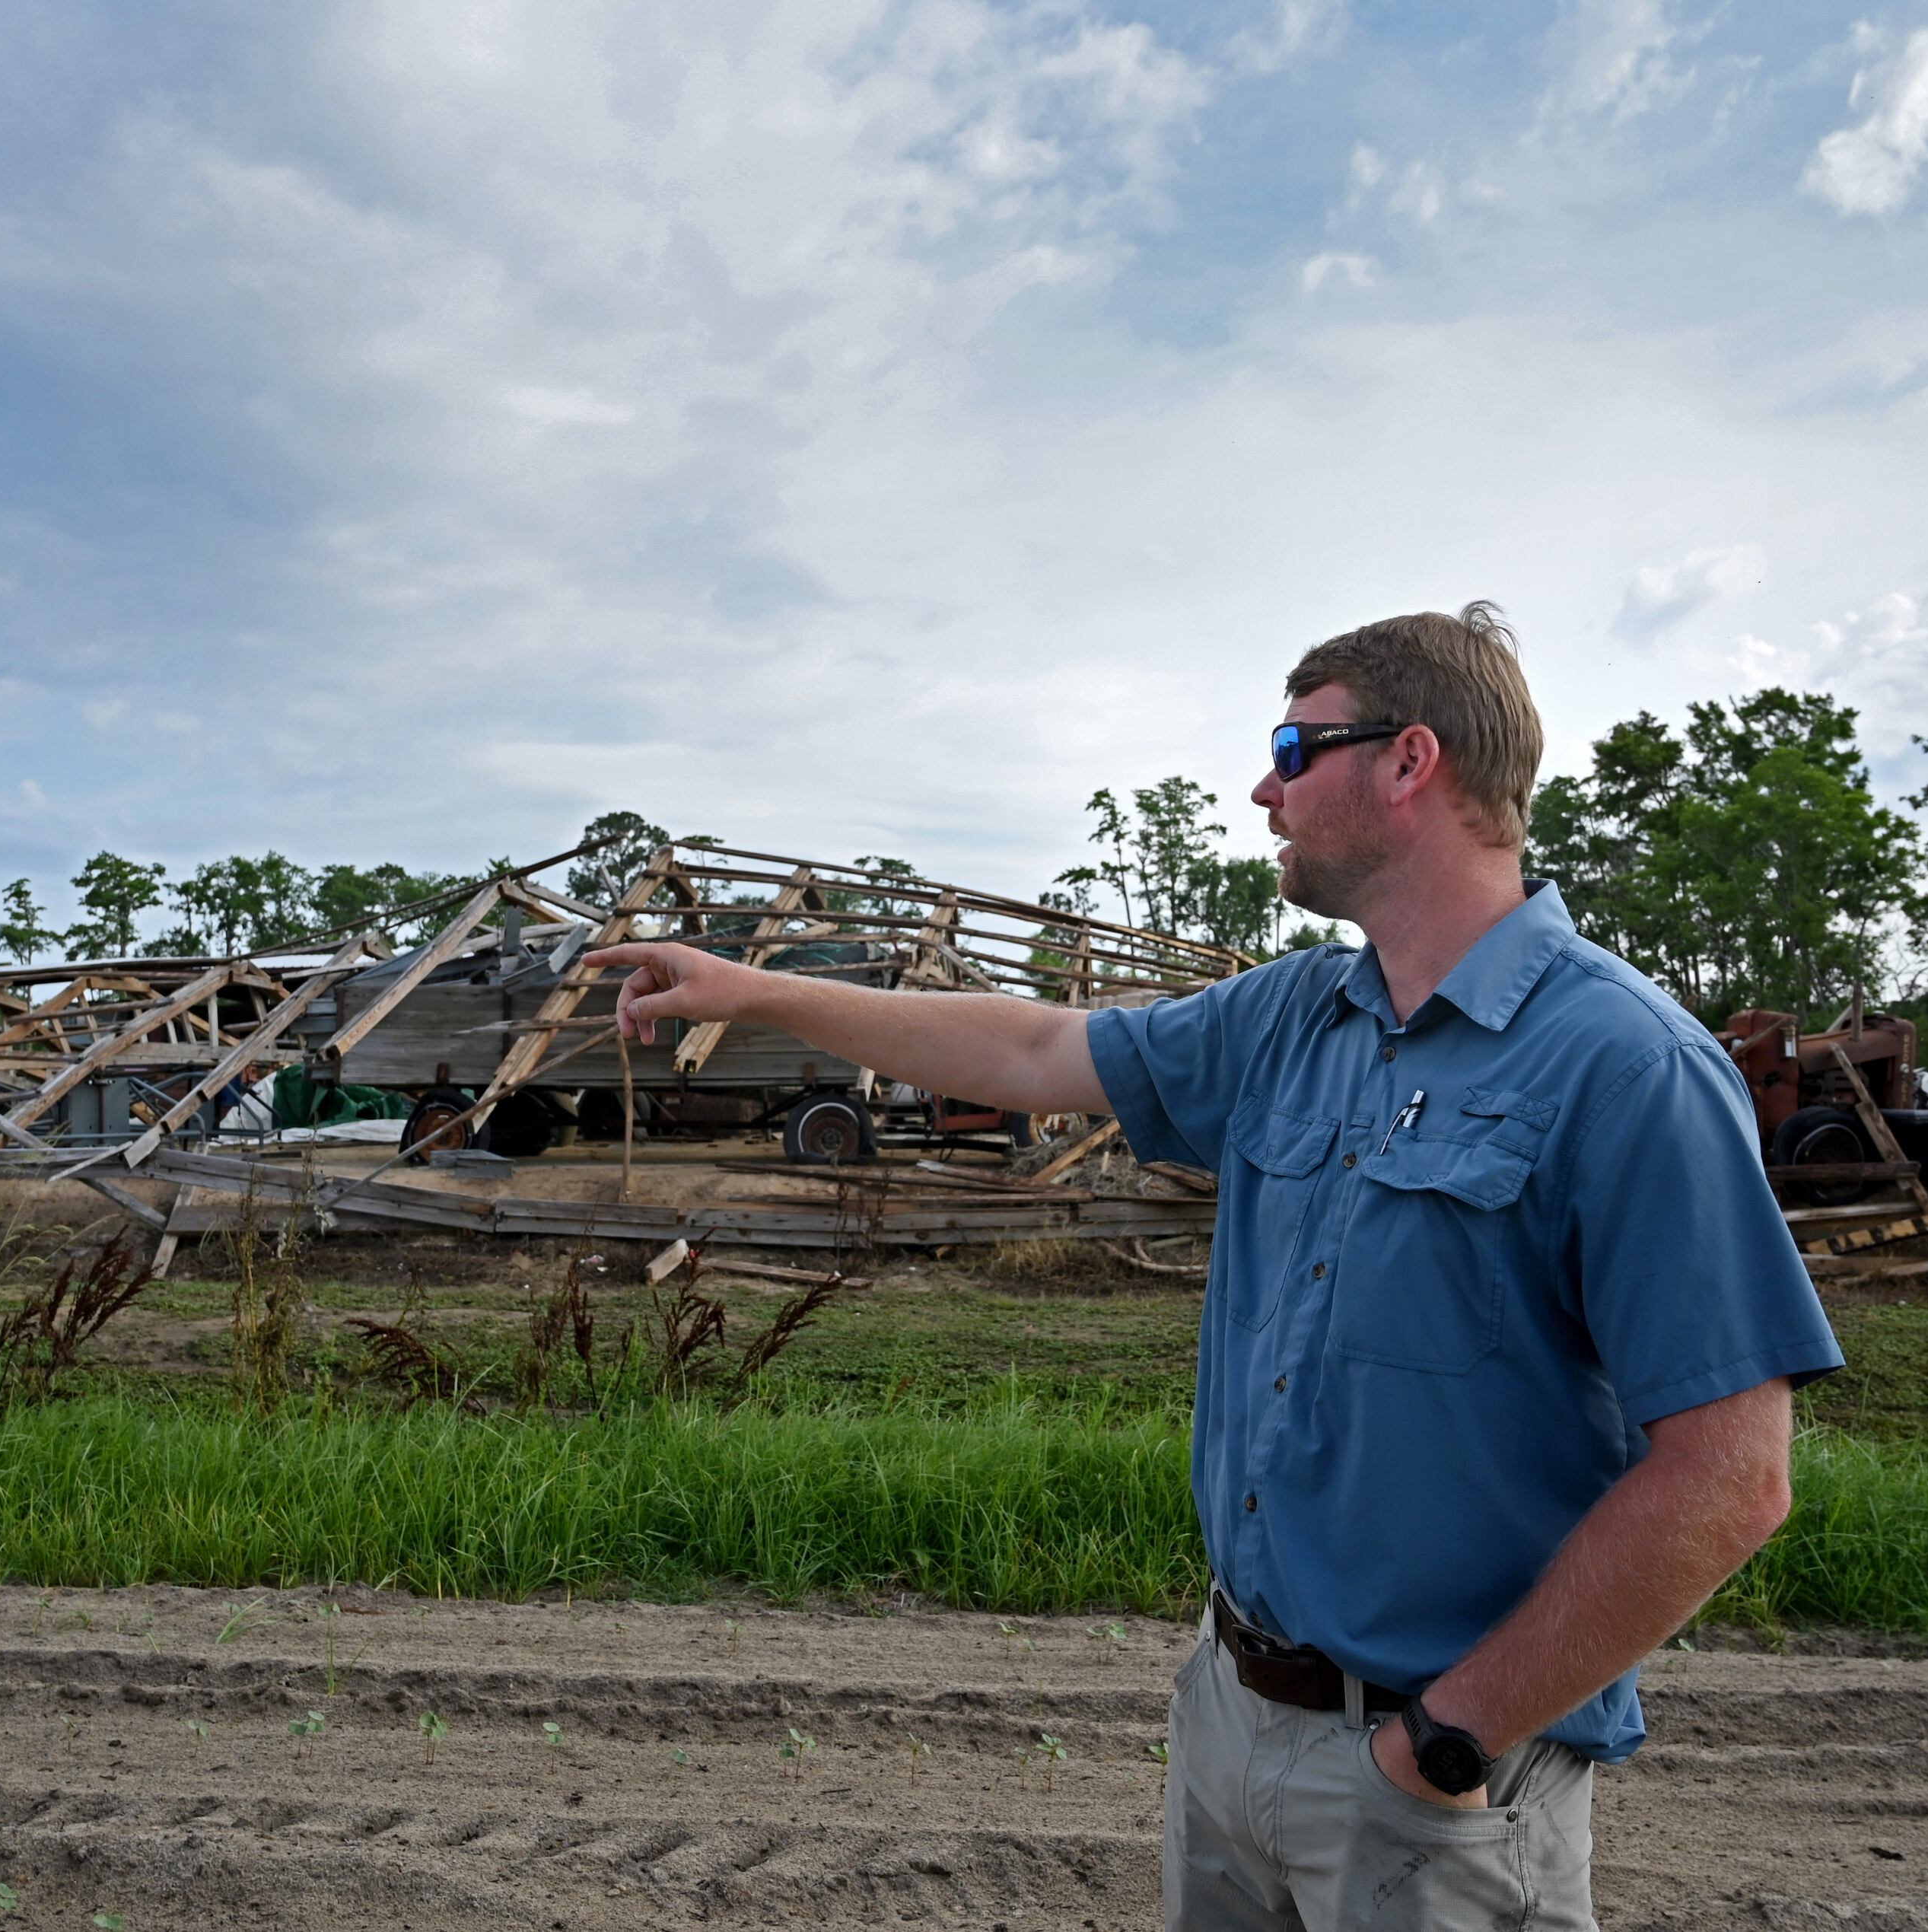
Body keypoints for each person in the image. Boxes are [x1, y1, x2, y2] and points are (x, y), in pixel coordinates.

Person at [582, 604, 1844, 1930]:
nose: (1264, 785)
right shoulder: (1301, 1015)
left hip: (1438, 1775)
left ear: (1411, 762)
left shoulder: (1627, 1066)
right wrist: (751, 988)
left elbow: (1730, 1476)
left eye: (1295, 746)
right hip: (1233, 1718)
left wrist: (1448, 1745)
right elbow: (1032, 1056)